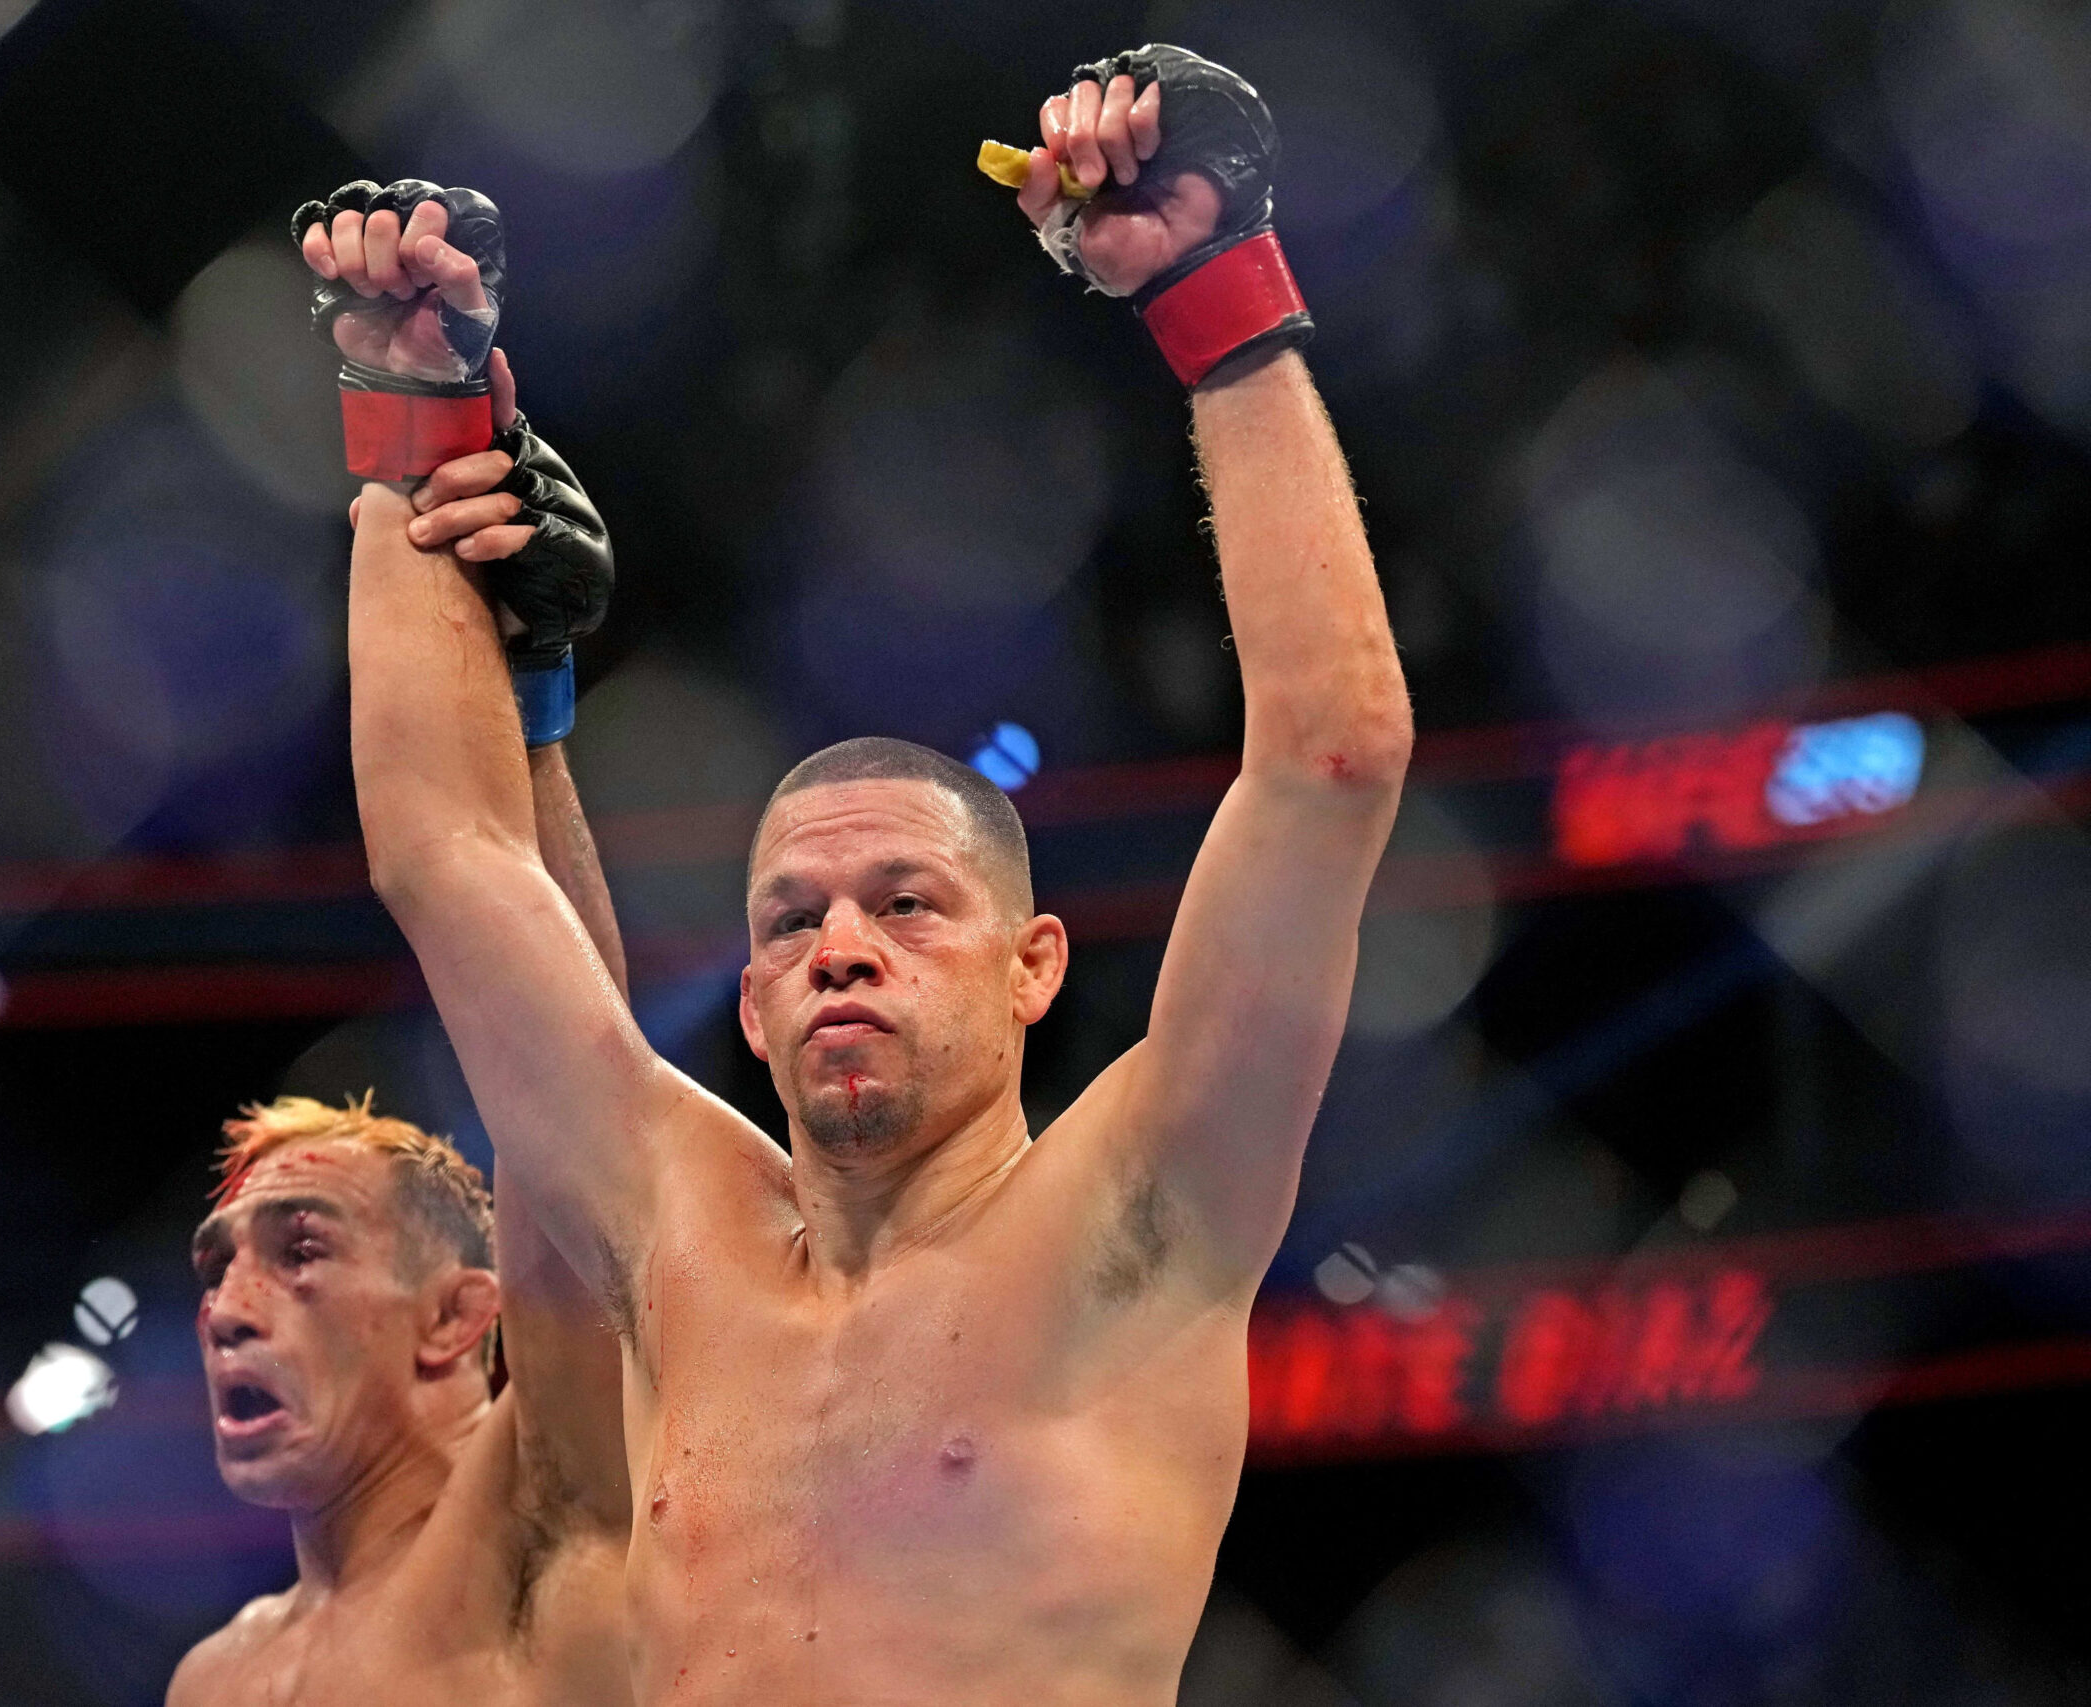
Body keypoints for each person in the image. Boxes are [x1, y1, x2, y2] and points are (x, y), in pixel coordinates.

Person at [344, 43, 1411, 1704]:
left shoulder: (1142, 1203)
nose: (842, 947)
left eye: (908, 906)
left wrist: (1211, 288)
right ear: (753, 1002)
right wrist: (406, 415)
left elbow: (1331, 759)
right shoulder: (670, 1222)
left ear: (1033, 963)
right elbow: (447, 852)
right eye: (793, 922)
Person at [167, 287, 636, 1703]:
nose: (232, 1305)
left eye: (299, 1248)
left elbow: (584, 1100)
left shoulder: (541, 1526)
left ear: (457, 1318)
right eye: (220, 1261)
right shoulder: (217, 1680)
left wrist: (527, 700)